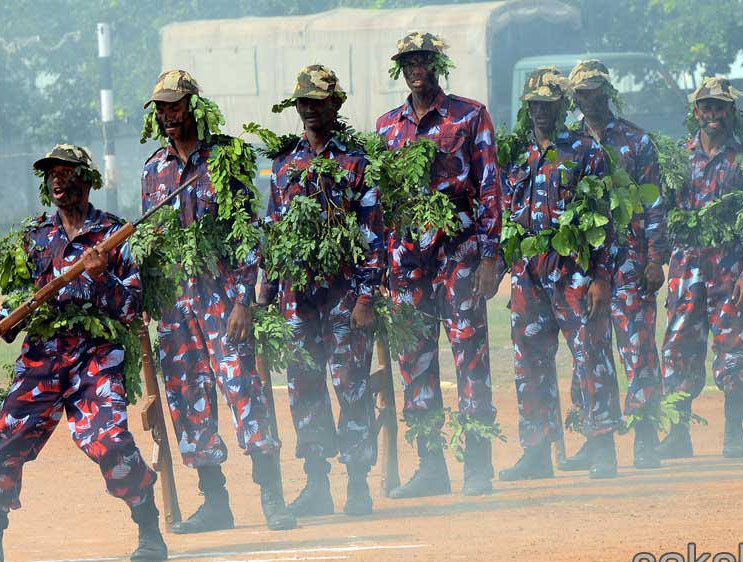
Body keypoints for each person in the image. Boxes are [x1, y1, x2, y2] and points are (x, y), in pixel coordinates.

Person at [0, 145, 166, 562]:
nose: (58, 180)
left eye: (67, 172)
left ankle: (149, 529)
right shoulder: (37, 236)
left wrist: (100, 275)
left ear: (87, 180)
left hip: (95, 356)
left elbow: (131, 308)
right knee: (4, 443)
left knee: (108, 439)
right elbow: (22, 300)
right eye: (52, 174)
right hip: (42, 356)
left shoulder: (114, 234)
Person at [141, 70, 295, 532]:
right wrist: (147, 292)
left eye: (175, 106)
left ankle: (272, 496)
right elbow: (152, 238)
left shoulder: (225, 160)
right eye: (162, 109)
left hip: (223, 302)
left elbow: (249, 231)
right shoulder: (154, 170)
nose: (168, 115)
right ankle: (216, 503)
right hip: (175, 307)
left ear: (194, 107)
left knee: (244, 393)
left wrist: (245, 300)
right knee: (188, 402)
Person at [376, 32, 502, 497]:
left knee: (470, 357)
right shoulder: (388, 127)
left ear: (436, 65)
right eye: (408, 61)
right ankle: (430, 466)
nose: (416, 69)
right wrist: (385, 268)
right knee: (414, 362)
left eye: (424, 60)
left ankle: (478, 467)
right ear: (401, 68)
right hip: (408, 261)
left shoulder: (469, 115)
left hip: (460, 255)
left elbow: (489, 187)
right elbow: (384, 202)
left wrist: (491, 255)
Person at [258, 65, 385, 517]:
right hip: (298, 299)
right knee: (303, 388)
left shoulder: (356, 162)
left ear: (335, 105)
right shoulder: (284, 165)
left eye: (318, 101)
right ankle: (317, 483)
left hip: (346, 295)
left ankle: (357, 485)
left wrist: (367, 296)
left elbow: (374, 235)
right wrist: (265, 294)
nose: (310, 109)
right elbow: (274, 232)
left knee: (350, 385)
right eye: (303, 102)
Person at [498, 67, 617, 481]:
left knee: (590, 354)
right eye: (535, 105)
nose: (542, 112)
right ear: (527, 107)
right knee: (528, 360)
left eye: (550, 104)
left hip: (575, 273)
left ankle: (602, 446)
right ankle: (536, 452)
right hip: (528, 275)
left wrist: (602, 277)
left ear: (562, 105)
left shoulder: (586, 152)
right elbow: (503, 216)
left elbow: (605, 221)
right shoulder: (516, 155)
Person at [560, 59, 667, 471]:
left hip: (631, 262)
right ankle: (597, 436)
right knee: (589, 352)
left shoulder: (636, 142)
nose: (588, 98)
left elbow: (654, 204)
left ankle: (644, 438)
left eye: (594, 90)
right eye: (581, 92)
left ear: (607, 91)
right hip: (584, 268)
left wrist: (656, 259)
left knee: (638, 349)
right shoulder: (566, 144)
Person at [657, 77, 743, 460]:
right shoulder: (678, 159)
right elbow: (661, 213)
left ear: (730, 111)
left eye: (720, 107)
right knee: (679, 348)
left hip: (730, 268)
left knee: (733, 350)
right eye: (707, 107)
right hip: (687, 268)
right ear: (696, 112)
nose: (713, 114)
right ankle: (679, 432)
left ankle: (734, 433)